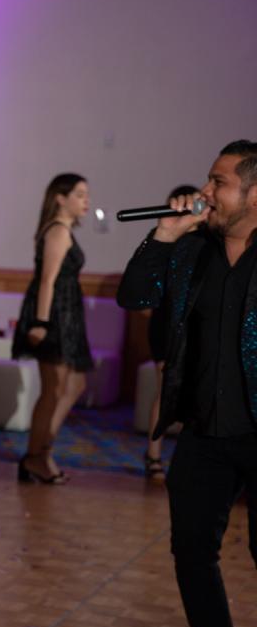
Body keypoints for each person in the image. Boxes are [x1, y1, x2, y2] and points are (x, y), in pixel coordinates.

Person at [117, 140, 257, 627]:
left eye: (219, 182)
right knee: (192, 550)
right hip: (202, 431)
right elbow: (134, 296)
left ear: (254, 193)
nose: (206, 191)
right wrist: (165, 234)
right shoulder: (192, 249)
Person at [11, 174, 93, 484]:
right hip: (54, 315)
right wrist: (41, 323)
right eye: (80, 194)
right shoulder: (57, 230)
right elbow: (46, 280)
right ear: (60, 198)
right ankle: (37, 456)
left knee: (74, 385)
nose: (86, 201)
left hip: (68, 314)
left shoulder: (64, 230)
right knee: (53, 389)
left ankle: (41, 451)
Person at [142, 183, 199, 482]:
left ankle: (185, 459)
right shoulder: (165, 241)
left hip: (194, 327)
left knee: (192, 390)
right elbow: (145, 294)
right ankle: (153, 455)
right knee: (165, 390)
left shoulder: (206, 243)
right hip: (165, 324)